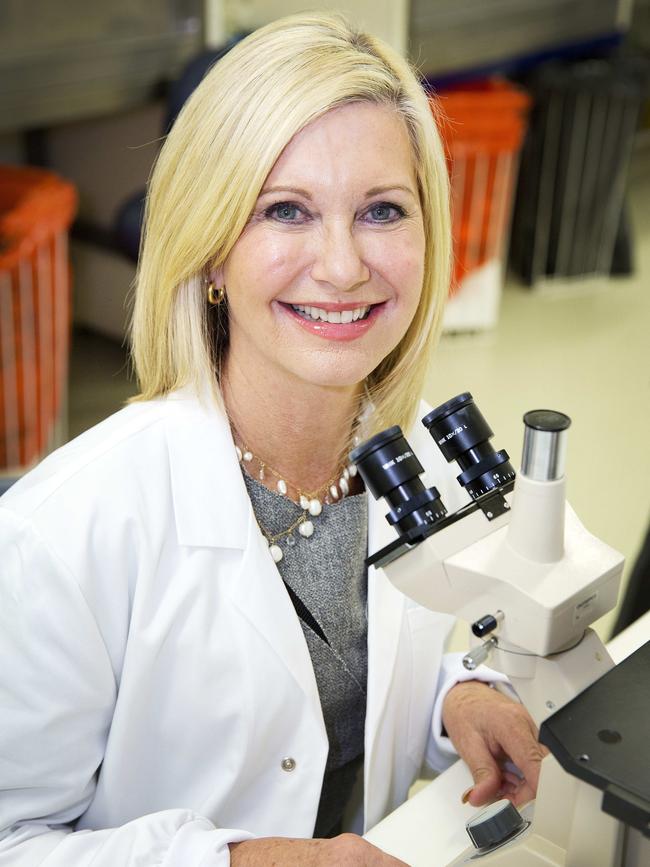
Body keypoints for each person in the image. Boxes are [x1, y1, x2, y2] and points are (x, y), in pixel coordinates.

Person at [0, 13, 546, 866]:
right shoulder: (61, 534)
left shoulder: (416, 455)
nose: (341, 266)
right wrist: (240, 861)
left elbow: (375, 670)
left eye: (381, 210)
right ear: (211, 251)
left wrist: (459, 696)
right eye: (286, 210)